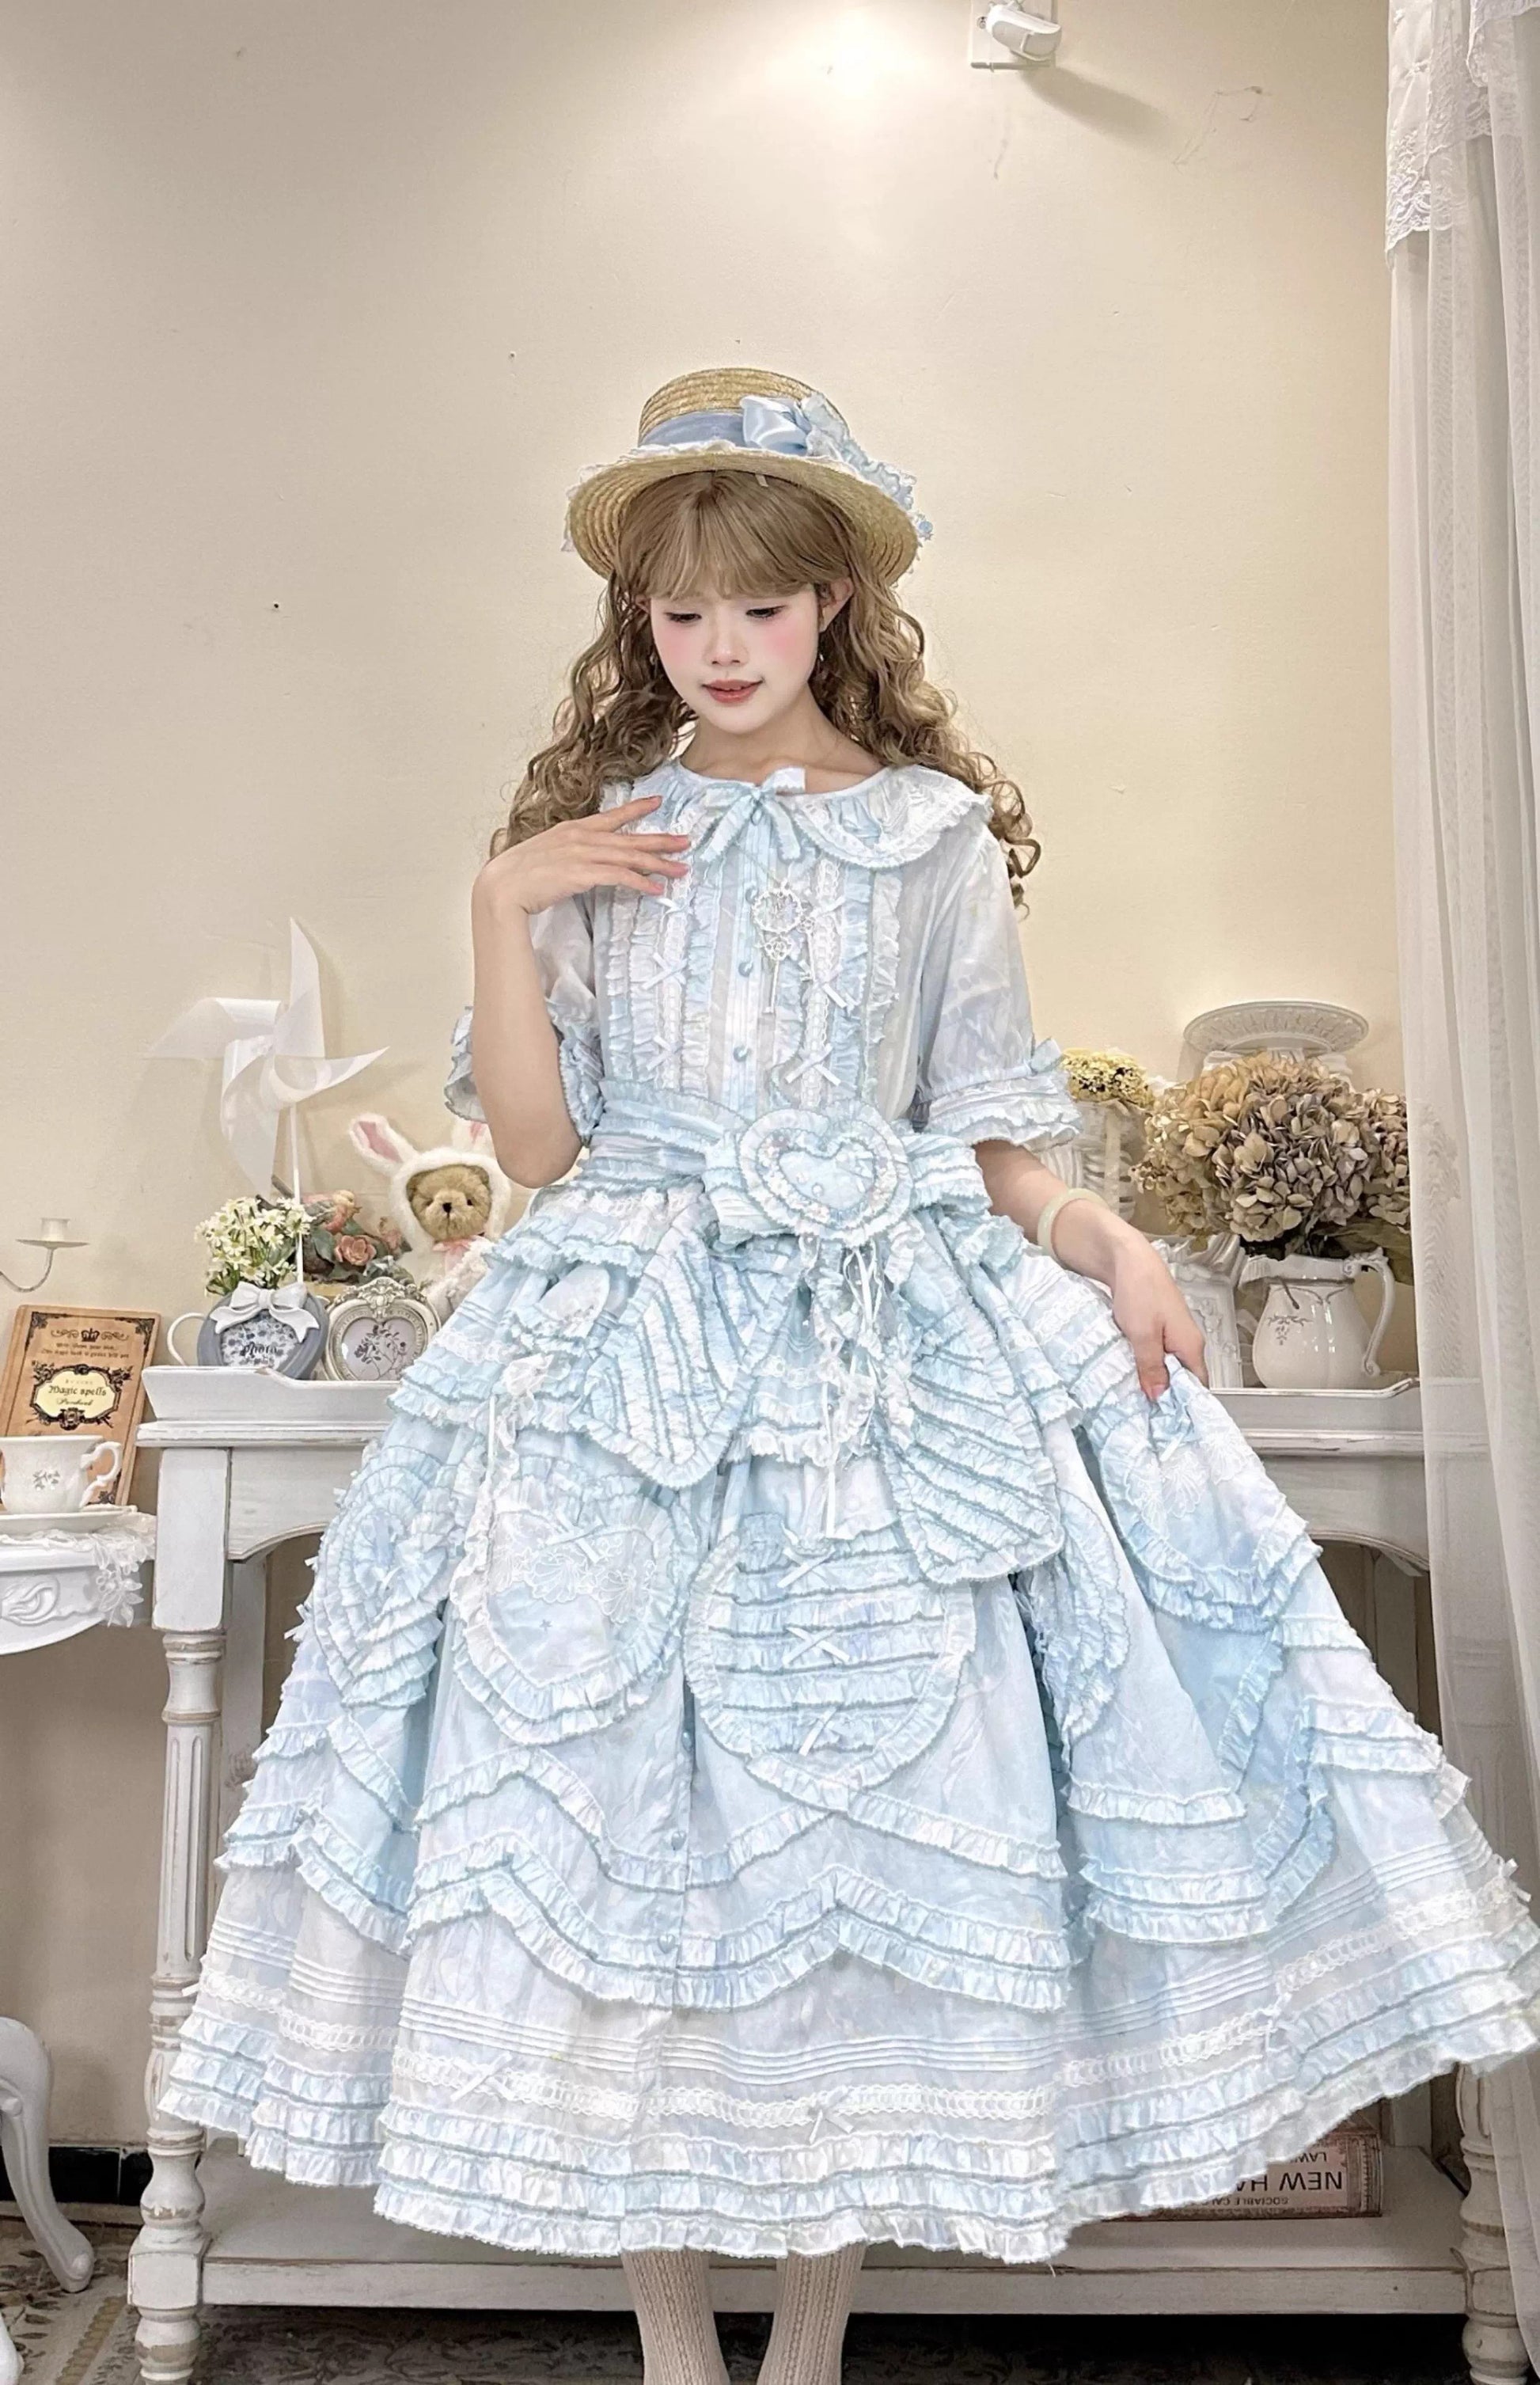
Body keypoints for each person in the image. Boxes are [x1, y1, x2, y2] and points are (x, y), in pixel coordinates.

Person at [161, 367, 1540, 2385]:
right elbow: (537, 1151)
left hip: (881, 1357)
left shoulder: (929, 838)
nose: (718, 647)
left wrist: (1113, 1244)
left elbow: (990, 1142)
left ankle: (804, 2346)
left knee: (863, 1830)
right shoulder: (590, 841)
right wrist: (501, 903)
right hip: (623, 1349)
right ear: (636, 620)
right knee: (622, 1841)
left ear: (832, 608)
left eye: (757, 606)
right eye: (679, 612)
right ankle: (669, 2348)